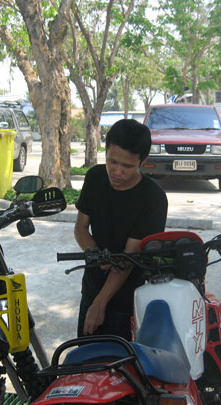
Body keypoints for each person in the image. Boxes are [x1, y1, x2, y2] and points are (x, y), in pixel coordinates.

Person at [74, 119, 168, 340]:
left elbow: (128, 259)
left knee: (121, 358)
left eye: (127, 166)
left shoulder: (153, 198)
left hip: (127, 297)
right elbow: (80, 228)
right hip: (91, 288)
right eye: (112, 161)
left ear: (143, 161)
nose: (117, 171)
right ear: (105, 151)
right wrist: (96, 254)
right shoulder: (95, 177)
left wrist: (100, 304)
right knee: (85, 357)